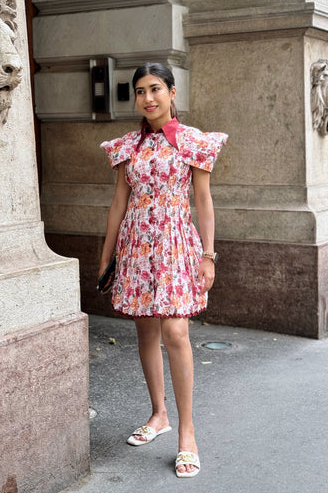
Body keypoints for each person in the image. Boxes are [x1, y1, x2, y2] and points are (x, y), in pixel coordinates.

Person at [98, 62, 228, 478]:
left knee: (175, 331)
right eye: (140, 91)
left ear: (172, 93)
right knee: (146, 330)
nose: (148, 98)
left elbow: (203, 201)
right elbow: (119, 203)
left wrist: (209, 255)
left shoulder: (194, 142)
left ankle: (186, 433)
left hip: (175, 242)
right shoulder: (127, 146)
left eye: (155, 89)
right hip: (136, 244)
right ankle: (159, 415)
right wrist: (106, 256)